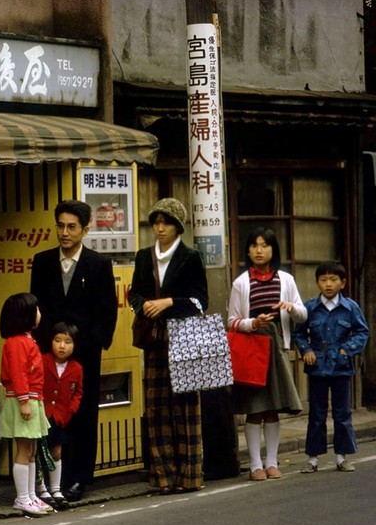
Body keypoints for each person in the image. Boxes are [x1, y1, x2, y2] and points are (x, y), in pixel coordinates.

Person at [30, 199, 117, 502]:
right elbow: (36, 309)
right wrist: (45, 345)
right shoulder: (42, 262)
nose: (64, 233)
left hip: (84, 353)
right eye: (60, 226)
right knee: (49, 414)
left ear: (85, 229)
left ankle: (79, 477)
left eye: (71, 227)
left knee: (82, 413)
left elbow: (108, 312)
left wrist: (89, 344)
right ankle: (49, 479)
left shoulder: (99, 264)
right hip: (48, 353)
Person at [128, 198, 208, 495]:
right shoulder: (143, 256)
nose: (160, 229)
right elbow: (134, 293)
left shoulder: (191, 257)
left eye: (167, 223)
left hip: (184, 336)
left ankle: (190, 476)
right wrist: (144, 305)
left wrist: (170, 302)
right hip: (154, 338)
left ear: (177, 227)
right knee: (157, 406)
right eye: (157, 223)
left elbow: (201, 300)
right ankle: (163, 476)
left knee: (186, 406)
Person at [227, 227, 305, 482]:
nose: (259, 251)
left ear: (273, 250)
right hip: (252, 351)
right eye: (254, 246)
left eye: (265, 245)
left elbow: (303, 315)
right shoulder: (241, 283)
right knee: (255, 409)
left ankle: (272, 462)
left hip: (278, 349)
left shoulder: (286, 280)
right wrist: (253, 323)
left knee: (273, 408)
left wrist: (291, 307)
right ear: (247, 251)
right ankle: (254, 465)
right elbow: (232, 321)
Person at [292, 261, 369, 473]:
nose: (328, 284)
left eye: (333, 279)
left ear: (342, 283)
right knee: (316, 413)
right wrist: (306, 350)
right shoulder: (309, 307)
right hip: (316, 366)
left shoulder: (350, 307)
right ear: (317, 282)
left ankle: (342, 457)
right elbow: (298, 333)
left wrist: (347, 349)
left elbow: (363, 332)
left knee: (342, 413)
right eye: (324, 279)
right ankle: (313, 458)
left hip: (341, 366)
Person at [0, 292, 51, 517]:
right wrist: (24, 401)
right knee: (25, 450)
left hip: (30, 399)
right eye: (36, 309)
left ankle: (30, 496)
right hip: (25, 400)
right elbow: (19, 374)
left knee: (31, 450)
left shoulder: (24, 340)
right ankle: (23, 497)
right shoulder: (19, 343)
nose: (39, 313)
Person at [37, 322, 83, 510]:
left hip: (61, 417)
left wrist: (70, 410)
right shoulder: (43, 360)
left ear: (74, 345)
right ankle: (41, 488)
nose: (62, 346)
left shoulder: (77, 368)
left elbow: (78, 393)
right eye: (57, 341)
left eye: (67, 342)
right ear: (51, 342)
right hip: (43, 415)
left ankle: (56, 489)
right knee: (39, 453)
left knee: (56, 452)